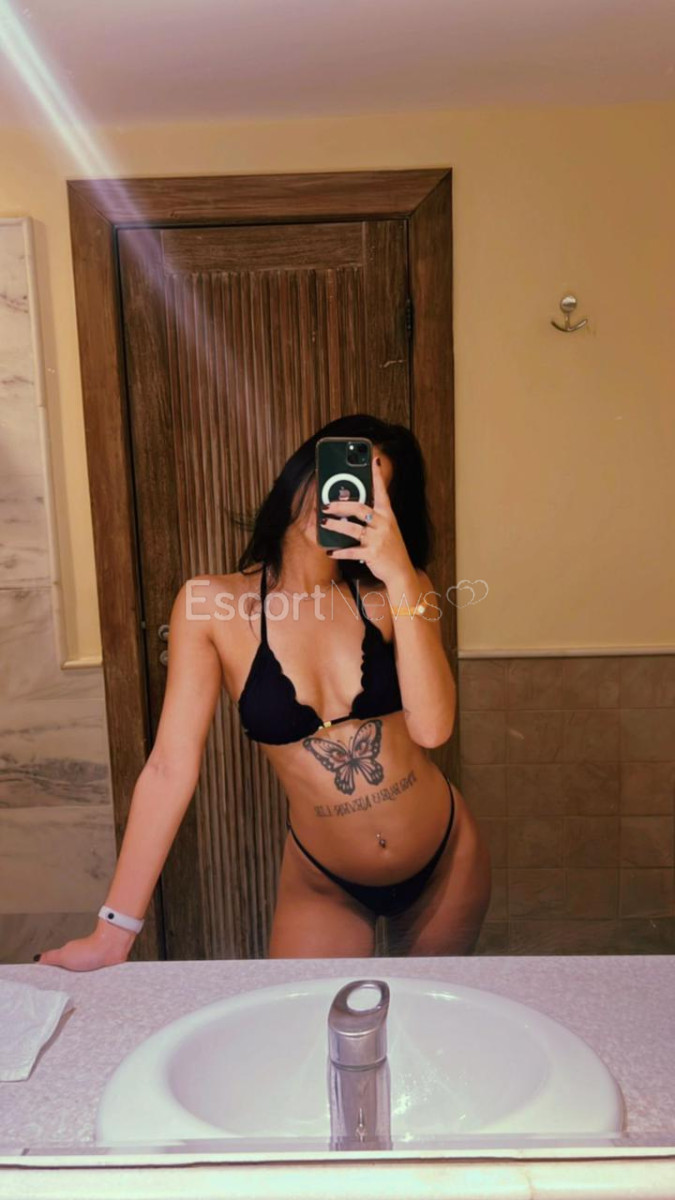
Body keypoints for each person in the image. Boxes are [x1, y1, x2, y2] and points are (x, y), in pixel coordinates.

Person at [34, 414, 491, 969]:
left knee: (431, 1017)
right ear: (303, 471)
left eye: (371, 492)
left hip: (444, 859)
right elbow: (168, 768)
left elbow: (433, 729)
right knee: (305, 1018)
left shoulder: (399, 593)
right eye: (338, 476)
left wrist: (400, 576)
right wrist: (113, 933)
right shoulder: (210, 605)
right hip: (326, 883)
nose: (344, 499)